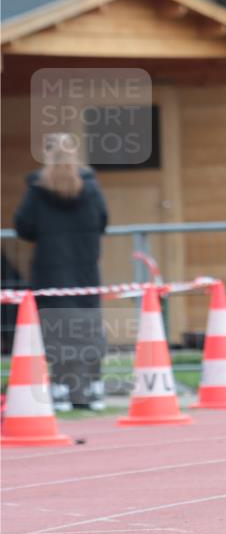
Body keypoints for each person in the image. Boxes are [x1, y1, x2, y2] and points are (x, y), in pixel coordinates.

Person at [14, 133, 108, 411]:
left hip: (49, 273)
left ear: (46, 154)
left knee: (56, 331)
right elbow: (102, 221)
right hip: (85, 272)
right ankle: (90, 390)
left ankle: (60, 390)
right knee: (88, 329)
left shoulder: (36, 189)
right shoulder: (91, 187)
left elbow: (23, 227)